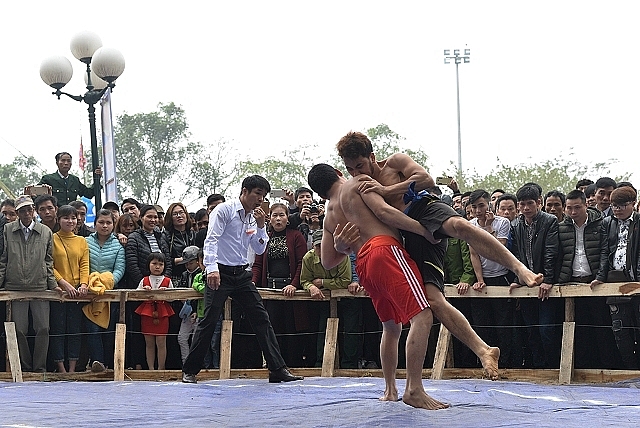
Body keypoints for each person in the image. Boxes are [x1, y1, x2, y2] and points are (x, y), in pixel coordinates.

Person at [336, 131, 540, 378]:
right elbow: (372, 221)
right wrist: (341, 244)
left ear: (372, 157)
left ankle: (519, 268)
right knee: (432, 301)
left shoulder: (394, 163)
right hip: (410, 235)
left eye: (360, 166)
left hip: (424, 209)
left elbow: (425, 178)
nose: (357, 174)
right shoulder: (362, 188)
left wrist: (388, 190)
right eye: (350, 170)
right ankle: (484, 350)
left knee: (461, 226)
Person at [308, 163, 449, 410]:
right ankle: (414, 389)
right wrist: (424, 230)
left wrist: (342, 248)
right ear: (340, 173)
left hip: (363, 264)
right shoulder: (356, 183)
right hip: (384, 251)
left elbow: (328, 261)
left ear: (320, 194)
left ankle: (390, 389)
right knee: (423, 315)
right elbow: (384, 213)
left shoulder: (328, 216)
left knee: (391, 327)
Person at [182, 175, 303, 384]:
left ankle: (277, 369)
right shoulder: (225, 210)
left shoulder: (254, 217)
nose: (260, 199)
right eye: (257, 194)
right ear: (244, 191)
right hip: (219, 272)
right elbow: (211, 239)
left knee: (261, 318)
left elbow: (259, 248)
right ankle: (190, 370)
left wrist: (261, 225)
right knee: (208, 320)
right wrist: (211, 268)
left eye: (263, 196)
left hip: (242, 274)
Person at [558, 190, 619, 369]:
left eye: (577, 207)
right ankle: (584, 368)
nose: (573, 212)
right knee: (579, 329)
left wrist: (600, 276)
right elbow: (558, 255)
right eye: (569, 208)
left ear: (586, 205)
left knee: (601, 327)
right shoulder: (561, 227)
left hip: (595, 283)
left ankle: (607, 368)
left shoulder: (600, 224)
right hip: (571, 282)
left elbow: (604, 252)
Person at [0, 195, 57, 372]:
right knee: (19, 330)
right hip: (14, 286)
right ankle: (24, 368)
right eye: (22, 210)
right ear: (17, 213)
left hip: (39, 286)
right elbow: (4, 259)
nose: (26, 213)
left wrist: (52, 284)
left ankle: (39, 368)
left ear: (33, 210)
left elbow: (49, 261)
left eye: (29, 209)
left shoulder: (45, 231)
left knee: (43, 328)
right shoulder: (7, 230)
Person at [509, 184, 562, 369]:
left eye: (529, 203)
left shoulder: (549, 221)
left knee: (547, 330)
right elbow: (514, 254)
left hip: (545, 284)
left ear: (539, 202)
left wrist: (547, 280)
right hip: (526, 285)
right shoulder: (516, 225)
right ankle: (539, 368)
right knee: (531, 331)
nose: (525, 208)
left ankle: (553, 368)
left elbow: (551, 252)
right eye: (522, 204)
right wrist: (518, 279)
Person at [252, 203, 309, 367]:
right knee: (272, 329)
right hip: (270, 290)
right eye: (275, 215)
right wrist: (253, 284)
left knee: (291, 330)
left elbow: (301, 263)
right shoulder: (265, 237)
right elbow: (258, 265)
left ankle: (293, 365)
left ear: (287, 218)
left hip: (290, 290)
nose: (278, 219)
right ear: (269, 219)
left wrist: (293, 284)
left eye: (282, 215)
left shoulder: (296, 236)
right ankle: (275, 365)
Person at [590, 186, 640, 369]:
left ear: (633, 204)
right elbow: (605, 252)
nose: (617, 209)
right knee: (619, 330)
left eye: (621, 205)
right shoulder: (608, 223)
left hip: (636, 280)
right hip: (614, 281)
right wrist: (601, 276)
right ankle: (629, 370)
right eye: (614, 206)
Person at [467, 190, 515, 367]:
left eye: (481, 205)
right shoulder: (470, 224)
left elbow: (499, 248)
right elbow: (474, 253)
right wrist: (479, 279)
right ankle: (485, 362)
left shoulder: (502, 222)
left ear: (489, 205)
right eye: (474, 207)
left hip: (502, 276)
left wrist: (488, 228)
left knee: (503, 325)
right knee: (482, 324)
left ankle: (506, 363)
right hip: (483, 279)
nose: (478, 210)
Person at [125, 205, 172, 369]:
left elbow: (168, 260)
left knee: (162, 340)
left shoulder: (162, 236)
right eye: (149, 217)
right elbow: (132, 263)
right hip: (144, 292)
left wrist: (165, 278)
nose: (153, 220)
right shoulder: (134, 237)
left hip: (162, 294)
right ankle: (144, 367)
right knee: (145, 337)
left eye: (155, 217)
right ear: (141, 218)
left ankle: (161, 368)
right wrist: (146, 283)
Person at [300, 229, 355, 368]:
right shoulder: (308, 258)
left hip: (346, 298)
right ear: (313, 245)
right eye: (317, 246)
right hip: (322, 300)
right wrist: (311, 287)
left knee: (350, 331)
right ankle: (321, 363)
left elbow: (345, 280)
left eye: (323, 245)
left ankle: (349, 365)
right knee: (322, 331)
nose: (320, 249)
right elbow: (305, 280)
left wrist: (322, 283)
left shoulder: (342, 255)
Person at [84, 208, 126, 371]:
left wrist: (107, 284)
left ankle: (109, 365)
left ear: (113, 225)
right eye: (101, 222)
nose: (105, 225)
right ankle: (97, 362)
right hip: (89, 292)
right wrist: (90, 285)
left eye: (108, 222)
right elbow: (82, 264)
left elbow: (120, 269)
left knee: (108, 330)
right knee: (92, 329)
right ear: (94, 224)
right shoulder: (86, 242)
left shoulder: (119, 244)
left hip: (109, 294)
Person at [50, 205, 90, 373]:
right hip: (59, 292)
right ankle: (60, 368)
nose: (70, 221)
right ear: (58, 220)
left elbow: (84, 264)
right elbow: (49, 265)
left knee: (74, 330)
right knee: (58, 329)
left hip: (77, 293)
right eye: (66, 218)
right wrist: (63, 283)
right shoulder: (52, 238)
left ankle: (72, 369)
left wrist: (83, 284)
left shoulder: (81, 241)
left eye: (73, 218)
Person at [135, 252, 175, 370]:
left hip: (163, 312)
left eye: (160, 264)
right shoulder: (144, 280)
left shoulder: (167, 281)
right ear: (148, 265)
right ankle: (151, 369)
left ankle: (161, 369)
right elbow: (136, 295)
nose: (157, 267)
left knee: (162, 342)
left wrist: (166, 292)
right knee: (149, 343)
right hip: (147, 313)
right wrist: (143, 290)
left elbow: (173, 298)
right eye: (154, 263)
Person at [176, 246, 202, 364]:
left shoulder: (202, 274)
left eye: (190, 263)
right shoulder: (184, 275)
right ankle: (185, 362)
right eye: (186, 263)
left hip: (199, 311)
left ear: (198, 261)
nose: (188, 266)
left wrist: (195, 310)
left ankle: (195, 363)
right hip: (186, 311)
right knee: (182, 338)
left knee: (196, 339)